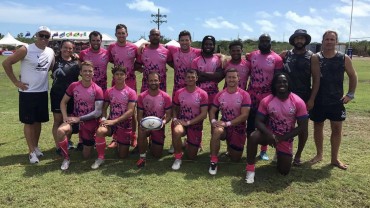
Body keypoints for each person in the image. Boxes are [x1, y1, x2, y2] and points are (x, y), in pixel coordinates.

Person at [2, 26, 55, 163]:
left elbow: (50, 67)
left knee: (38, 121)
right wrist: (16, 82)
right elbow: (7, 63)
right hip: (28, 93)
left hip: (42, 92)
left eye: (46, 36)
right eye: (41, 35)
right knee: (29, 122)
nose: (43, 38)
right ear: (36, 35)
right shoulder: (26, 49)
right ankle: (31, 152)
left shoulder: (50, 51)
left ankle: (36, 147)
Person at [245, 72, 309, 183]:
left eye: (284, 81)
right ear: (274, 85)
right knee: (253, 136)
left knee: (283, 171)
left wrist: (282, 138)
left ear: (289, 84)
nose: (282, 84)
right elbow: (258, 122)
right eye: (278, 82)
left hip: (285, 136)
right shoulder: (267, 100)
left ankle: (284, 155)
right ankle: (250, 170)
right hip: (269, 134)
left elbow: (303, 126)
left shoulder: (298, 101)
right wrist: (270, 134)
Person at [309, 30, 357, 170]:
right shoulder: (316, 57)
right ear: (323, 41)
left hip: (337, 101)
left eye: (332, 39)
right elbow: (315, 78)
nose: (329, 42)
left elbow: (353, 76)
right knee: (318, 127)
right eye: (327, 39)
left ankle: (335, 158)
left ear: (336, 42)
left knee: (336, 129)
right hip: (319, 100)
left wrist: (350, 94)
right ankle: (319, 155)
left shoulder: (344, 58)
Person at [280, 29, 320, 165]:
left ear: (306, 40)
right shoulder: (286, 55)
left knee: (303, 127)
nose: (299, 41)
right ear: (293, 40)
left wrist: (312, 99)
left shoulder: (312, 56)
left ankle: (298, 154)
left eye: (302, 38)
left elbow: (316, 80)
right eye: (297, 38)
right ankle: (281, 151)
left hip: (304, 97)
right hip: (286, 96)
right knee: (283, 125)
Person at [56, 61, 104, 170]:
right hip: (74, 119)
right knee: (60, 131)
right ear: (81, 72)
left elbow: (97, 112)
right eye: (85, 71)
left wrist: (79, 119)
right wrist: (65, 117)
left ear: (93, 73)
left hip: (89, 122)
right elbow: (63, 102)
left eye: (90, 71)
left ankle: (87, 145)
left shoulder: (97, 89)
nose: (87, 73)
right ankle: (66, 158)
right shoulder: (74, 86)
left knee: (86, 156)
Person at [246, 33, 284, 161]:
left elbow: (278, 79)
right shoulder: (252, 55)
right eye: (262, 41)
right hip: (252, 95)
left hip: (268, 97)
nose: (264, 43)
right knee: (251, 123)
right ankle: (250, 149)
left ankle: (263, 151)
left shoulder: (277, 59)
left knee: (266, 124)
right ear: (258, 42)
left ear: (271, 43)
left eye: (267, 41)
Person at [91, 65, 137, 169]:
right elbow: (104, 108)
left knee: (123, 156)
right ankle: (100, 157)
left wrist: (114, 121)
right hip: (111, 123)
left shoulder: (131, 92)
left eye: (122, 74)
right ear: (113, 77)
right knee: (100, 131)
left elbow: (130, 112)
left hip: (125, 124)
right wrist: (103, 118)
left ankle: (119, 141)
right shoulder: (109, 91)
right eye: (117, 74)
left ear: (126, 76)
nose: (119, 76)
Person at [208, 69, 251, 175]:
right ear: (226, 79)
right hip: (224, 127)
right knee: (217, 131)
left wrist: (228, 123)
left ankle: (230, 147)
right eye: (229, 77)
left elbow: (244, 116)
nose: (231, 79)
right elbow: (212, 110)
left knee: (235, 159)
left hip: (238, 127)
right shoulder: (220, 94)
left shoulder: (244, 95)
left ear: (238, 78)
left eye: (233, 77)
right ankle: (213, 161)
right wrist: (213, 121)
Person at [107, 24, 139, 149]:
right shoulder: (111, 47)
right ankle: (116, 137)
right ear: (115, 34)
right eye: (119, 33)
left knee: (132, 112)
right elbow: (110, 60)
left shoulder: (133, 47)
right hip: (116, 83)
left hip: (131, 83)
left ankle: (133, 135)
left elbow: (140, 62)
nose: (121, 35)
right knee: (115, 110)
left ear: (127, 34)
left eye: (123, 33)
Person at [171, 69, 208, 170]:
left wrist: (189, 122)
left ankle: (188, 143)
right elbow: (175, 108)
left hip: (195, 124)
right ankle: (178, 158)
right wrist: (174, 118)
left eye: (193, 77)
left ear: (196, 78)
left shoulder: (203, 94)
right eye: (188, 77)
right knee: (177, 131)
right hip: (182, 122)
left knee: (191, 157)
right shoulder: (179, 92)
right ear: (185, 79)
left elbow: (204, 114)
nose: (190, 79)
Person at [136, 72, 172, 167]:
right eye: (151, 80)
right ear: (147, 82)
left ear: (159, 81)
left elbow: (168, 115)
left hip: (159, 126)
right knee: (141, 131)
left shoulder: (166, 97)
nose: (153, 82)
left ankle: (152, 142)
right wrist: (142, 124)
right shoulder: (142, 96)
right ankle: (142, 157)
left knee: (157, 155)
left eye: (155, 80)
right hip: (146, 125)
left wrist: (163, 122)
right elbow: (139, 115)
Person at [50, 40, 80, 154]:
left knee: (69, 120)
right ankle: (59, 146)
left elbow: (86, 73)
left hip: (72, 96)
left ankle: (67, 142)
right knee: (58, 120)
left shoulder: (77, 62)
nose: (68, 50)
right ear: (61, 48)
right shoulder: (54, 61)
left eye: (70, 48)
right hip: (57, 95)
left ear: (73, 49)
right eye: (65, 48)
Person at [191, 35, 224, 108]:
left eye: (210, 44)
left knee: (214, 117)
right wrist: (213, 76)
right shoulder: (196, 61)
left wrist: (202, 73)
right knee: (198, 118)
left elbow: (219, 75)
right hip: (199, 94)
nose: (208, 46)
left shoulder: (218, 60)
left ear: (214, 46)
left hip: (214, 94)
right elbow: (195, 79)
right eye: (206, 44)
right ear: (202, 45)